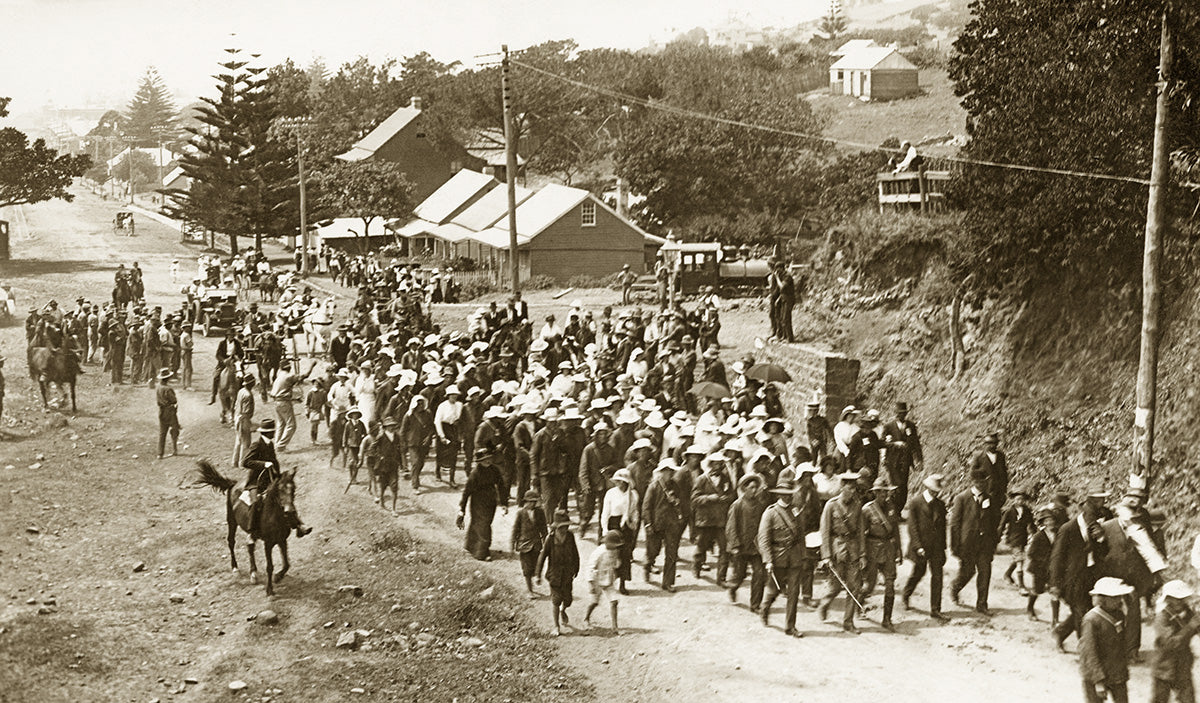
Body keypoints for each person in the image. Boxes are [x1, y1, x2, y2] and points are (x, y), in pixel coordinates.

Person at [1051, 483, 1112, 651]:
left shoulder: (1096, 528)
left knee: (1087, 609)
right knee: (1081, 611)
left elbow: (1104, 551)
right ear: (1084, 514)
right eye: (1091, 518)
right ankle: (1085, 648)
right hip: (1072, 578)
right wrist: (1055, 584)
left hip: (1092, 576)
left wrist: (1101, 539)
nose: (1094, 521)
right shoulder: (1068, 529)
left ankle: (1060, 632)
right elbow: (1056, 558)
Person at [757, 469, 808, 637]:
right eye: (783, 494)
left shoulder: (796, 511)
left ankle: (790, 626)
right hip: (778, 557)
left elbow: (801, 535)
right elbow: (763, 539)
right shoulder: (770, 513)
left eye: (789, 494)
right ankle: (765, 608)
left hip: (794, 557)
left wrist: (803, 555)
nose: (787, 497)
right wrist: (768, 560)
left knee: (794, 592)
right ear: (778, 495)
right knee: (773, 590)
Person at [241, 419, 311, 539]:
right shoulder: (256, 444)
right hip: (255, 482)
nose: (274, 433)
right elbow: (245, 462)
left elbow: (274, 461)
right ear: (266, 433)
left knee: (286, 499)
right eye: (272, 431)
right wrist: (263, 464)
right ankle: (251, 533)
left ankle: (299, 525)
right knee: (255, 502)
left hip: (270, 480)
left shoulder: (270, 444)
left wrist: (280, 476)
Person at [818, 471, 866, 633]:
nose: (852, 492)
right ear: (842, 487)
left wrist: (862, 554)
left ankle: (848, 622)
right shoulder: (831, 506)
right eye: (850, 488)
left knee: (854, 587)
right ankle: (824, 604)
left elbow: (860, 532)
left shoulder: (857, 505)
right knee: (835, 587)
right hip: (836, 549)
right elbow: (824, 532)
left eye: (854, 489)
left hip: (852, 549)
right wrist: (826, 556)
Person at [950, 468, 1001, 615]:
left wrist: (993, 545)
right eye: (978, 482)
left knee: (985, 573)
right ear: (973, 482)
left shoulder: (990, 499)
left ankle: (982, 604)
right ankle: (955, 587)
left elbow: (994, 523)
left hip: (984, 545)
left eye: (984, 481)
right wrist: (955, 546)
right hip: (967, 544)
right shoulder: (962, 498)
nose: (981, 484)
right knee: (967, 572)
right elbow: (955, 524)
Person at [902, 473, 949, 621]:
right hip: (921, 547)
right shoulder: (916, 503)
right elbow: (912, 527)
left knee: (938, 577)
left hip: (936, 548)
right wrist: (918, 546)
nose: (935, 493)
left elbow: (942, 529)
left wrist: (943, 548)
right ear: (927, 488)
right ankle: (906, 594)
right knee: (919, 572)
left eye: (937, 491)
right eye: (933, 490)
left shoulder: (940, 505)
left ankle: (935, 609)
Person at [1079, 577, 1134, 703]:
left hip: (1117, 673)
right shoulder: (1091, 620)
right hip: (1096, 674)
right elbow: (1090, 652)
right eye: (1114, 597)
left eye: (1119, 596)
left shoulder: (1119, 615)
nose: (1119, 600)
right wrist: (1098, 680)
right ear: (1102, 599)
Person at [862, 475, 902, 631]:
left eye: (886, 492)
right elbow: (861, 534)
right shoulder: (867, 510)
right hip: (872, 548)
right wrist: (863, 555)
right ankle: (859, 603)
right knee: (870, 585)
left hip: (888, 549)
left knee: (890, 583)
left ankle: (887, 618)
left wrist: (899, 550)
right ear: (875, 493)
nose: (884, 495)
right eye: (880, 492)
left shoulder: (892, 507)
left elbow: (896, 531)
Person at [726, 473, 769, 612]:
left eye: (756, 488)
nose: (754, 490)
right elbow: (731, 527)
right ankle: (733, 588)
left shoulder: (761, 505)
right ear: (744, 489)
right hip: (741, 547)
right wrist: (735, 545)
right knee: (740, 574)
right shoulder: (737, 505)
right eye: (751, 488)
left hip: (756, 547)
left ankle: (755, 605)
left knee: (759, 574)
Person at [457, 445, 508, 561]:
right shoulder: (475, 474)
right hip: (478, 502)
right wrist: (462, 510)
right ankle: (482, 553)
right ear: (479, 462)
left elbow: (501, 486)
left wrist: (504, 504)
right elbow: (467, 492)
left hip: (491, 502)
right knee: (482, 525)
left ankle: (471, 546)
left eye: (489, 458)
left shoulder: (494, 470)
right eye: (485, 460)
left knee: (484, 523)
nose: (488, 461)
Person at [1152, 580, 1199, 703]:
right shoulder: (1162, 617)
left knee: (1188, 700)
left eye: (1182, 598)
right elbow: (1170, 643)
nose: (1180, 601)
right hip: (1164, 668)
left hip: (1183, 667)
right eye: (1175, 598)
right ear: (1167, 599)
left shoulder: (1188, 613)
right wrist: (1190, 627)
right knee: (1159, 700)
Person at [643, 459, 686, 592]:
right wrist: (648, 524)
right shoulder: (654, 486)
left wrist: (676, 502)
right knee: (653, 550)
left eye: (671, 471)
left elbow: (681, 503)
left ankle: (667, 582)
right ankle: (648, 564)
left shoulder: (675, 486)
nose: (670, 474)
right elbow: (646, 507)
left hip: (672, 524)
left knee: (672, 553)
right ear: (661, 472)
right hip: (656, 524)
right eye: (667, 471)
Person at [691, 453, 734, 584]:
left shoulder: (726, 478)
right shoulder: (702, 479)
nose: (718, 466)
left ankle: (721, 577)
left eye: (720, 464)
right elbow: (694, 499)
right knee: (701, 546)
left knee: (724, 549)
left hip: (721, 520)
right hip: (706, 520)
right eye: (715, 463)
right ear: (710, 465)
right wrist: (710, 498)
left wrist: (728, 498)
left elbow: (732, 494)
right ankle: (696, 567)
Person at [537, 509, 580, 637]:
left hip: (567, 574)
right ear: (556, 527)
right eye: (562, 527)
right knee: (556, 600)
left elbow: (575, 554)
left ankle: (563, 609)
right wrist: (538, 574)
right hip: (554, 575)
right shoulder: (550, 539)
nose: (564, 529)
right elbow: (543, 556)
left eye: (566, 526)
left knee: (568, 600)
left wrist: (576, 569)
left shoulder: (570, 536)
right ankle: (556, 626)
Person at [601, 468, 638, 595]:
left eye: (621, 481)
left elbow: (634, 512)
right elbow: (605, 512)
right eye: (617, 481)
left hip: (626, 527)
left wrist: (633, 524)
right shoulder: (611, 493)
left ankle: (622, 583)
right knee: (611, 555)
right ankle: (608, 580)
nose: (619, 483)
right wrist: (605, 529)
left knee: (625, 555)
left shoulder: (633, 495)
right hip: (613, 524)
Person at [881, 402, 922, 512]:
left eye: (903, 413)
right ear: (895, 414)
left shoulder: (911, 426)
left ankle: (899, 510)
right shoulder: (889, 426)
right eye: (899, 413)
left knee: (903, 486)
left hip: (906, 461)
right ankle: (894, 510)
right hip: (892, 461)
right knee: (896, 485)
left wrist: (919, 460)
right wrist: (895, 444)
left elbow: (916, 444)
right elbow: (882, 443)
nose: (901, 416)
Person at [1026, 505, 1060, 625]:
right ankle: (1030, 609)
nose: (1050, 522)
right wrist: (1045, 560)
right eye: (1047, 520)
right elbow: (1030, 553)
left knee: (1055, 592)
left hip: (1053, 569)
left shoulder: (1058, 534)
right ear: (1043, 523)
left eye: (1051, 520)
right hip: (1039, 569)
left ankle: (1055, 620)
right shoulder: (1038, 536)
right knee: (1037, 590)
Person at [585, 530, 623, 635]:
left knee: (614, 601)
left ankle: (614, 626)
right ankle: (586, 617)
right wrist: (591, 582)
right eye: (613, 545)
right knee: (594, 602)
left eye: (617, 546)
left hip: (608, 579)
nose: (615, 548)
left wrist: (617, 564)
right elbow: (590, 567)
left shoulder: (615, 551)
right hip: (596, 579)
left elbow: (616, 564)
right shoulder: (599, 552)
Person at [999, 487, 1035, 595]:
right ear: (1014, 500)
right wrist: (997, 537)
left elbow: (1031, 524)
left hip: (1023, 538)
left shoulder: (1027, 511)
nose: (1020, 501)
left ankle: (1007, 574)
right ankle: (1021, 586)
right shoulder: (1009, 511)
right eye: (1017, 499)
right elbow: (1002, 525)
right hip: (1013, 538)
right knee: (1020, 560)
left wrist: (1034, 534)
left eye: (1022, 499)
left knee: (1017, 558)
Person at [512, 489, 548, 596]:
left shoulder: (540, 512)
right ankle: (529, 590)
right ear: (525, 502)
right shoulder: (520, 513)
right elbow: (516, 529)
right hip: (524, 544)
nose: (533, 504)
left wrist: (546, 541)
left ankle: (537, 576)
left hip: (536, 544)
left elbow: (544, 528)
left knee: (537, 564)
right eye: (530, 501)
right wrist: (513, 543)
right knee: (527, 568)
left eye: (534, 502)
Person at [434, 384, 464, 486]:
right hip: (444, 428)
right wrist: (441, 435)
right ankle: (438, 471)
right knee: (441, 453)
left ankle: (452, 479)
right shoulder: (442, 406)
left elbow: (460, 419)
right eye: (452, 395)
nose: (454, 397)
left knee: (454, 454)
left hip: (454, 430)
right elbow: (437, 421)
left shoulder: (460, 405)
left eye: (455, 395)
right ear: (448, 396)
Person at [971, 432, 1009, 509]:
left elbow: (1004, 474)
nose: (992, 446)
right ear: (985, 444)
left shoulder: (1001, 456)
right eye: (989, 443)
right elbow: (973, 473)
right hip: (984, 491)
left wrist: (1004, 490)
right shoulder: (978, 456)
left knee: (996, 513)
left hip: (998, 492)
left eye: (994, 443)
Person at [270, 364, 302, 452]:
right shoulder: (289, 376)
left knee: (281, 424)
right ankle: (280, 446)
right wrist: (312, 366)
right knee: (291, 425)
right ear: (289, 368)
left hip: (276, 402)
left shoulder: (279, 376)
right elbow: (303, 376)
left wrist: (294, 398)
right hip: (284, 402)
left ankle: (277, 444)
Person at [232, 375, 256, 468]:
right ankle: (243, 463)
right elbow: (246, 412)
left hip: (237, 417)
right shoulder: (248, 395)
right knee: (246, 442)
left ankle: (235, 462)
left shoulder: (241, 391)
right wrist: (250, 424)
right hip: (243, 419)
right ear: (251, 384)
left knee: (238, 441)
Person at [155, 368, 180, 459]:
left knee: (162, 432)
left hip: (161, 411)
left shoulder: (158, 387)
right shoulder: (168, 389)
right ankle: (174, 449)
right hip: (170, 411)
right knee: (174, 429)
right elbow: (174, 400)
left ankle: (160, 453)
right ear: (168, 378)